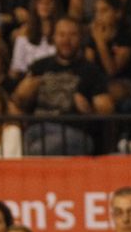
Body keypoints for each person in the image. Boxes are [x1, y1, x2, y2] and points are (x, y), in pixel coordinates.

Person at [16, 17, 112, 155]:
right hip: (37, 127)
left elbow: (107, 109)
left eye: (72, 35)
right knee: (18, 143)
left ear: (80, 38)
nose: (66, 40)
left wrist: (89, 111)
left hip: (73, 131)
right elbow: (19, 99)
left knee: (37, 151)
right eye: (61, 35)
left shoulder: (91, 71)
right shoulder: (40, 66)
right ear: (54, 37)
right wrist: (25, 91)